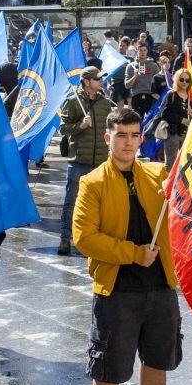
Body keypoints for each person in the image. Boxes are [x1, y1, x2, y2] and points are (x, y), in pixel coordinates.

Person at [71, 106, 192, 385]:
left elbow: (184, 208)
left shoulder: (157, 174)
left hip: (160, 286)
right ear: (108, 138)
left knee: (158, 359)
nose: (128, 143)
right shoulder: (92, 182)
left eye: (134, 135)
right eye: (121, 135)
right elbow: (84, 237)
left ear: (142, 138)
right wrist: (132, 254)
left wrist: (180, 193)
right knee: (108, 367)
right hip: (117, 289)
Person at [56, 67, 114, 255]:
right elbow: (63, 129)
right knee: (71, 201)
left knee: (99, 203)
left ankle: (91, 238)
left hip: (100, 161)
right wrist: (80, 125)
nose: (101, 81)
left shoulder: (104, 103)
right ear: (87, 81)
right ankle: (65, 238)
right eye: (97, 79)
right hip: (79, 160)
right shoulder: (73, 101)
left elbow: (110, 128)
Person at [152, 65, 192, 158]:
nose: (184, 82)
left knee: (186, 163)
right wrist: (181, 119)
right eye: (182, 79)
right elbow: (164, 114)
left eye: (187, 80)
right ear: (177, 79)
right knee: (170, 164)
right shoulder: (171, 94)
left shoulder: (191, 96)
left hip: (187, 133)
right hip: (172, 133)